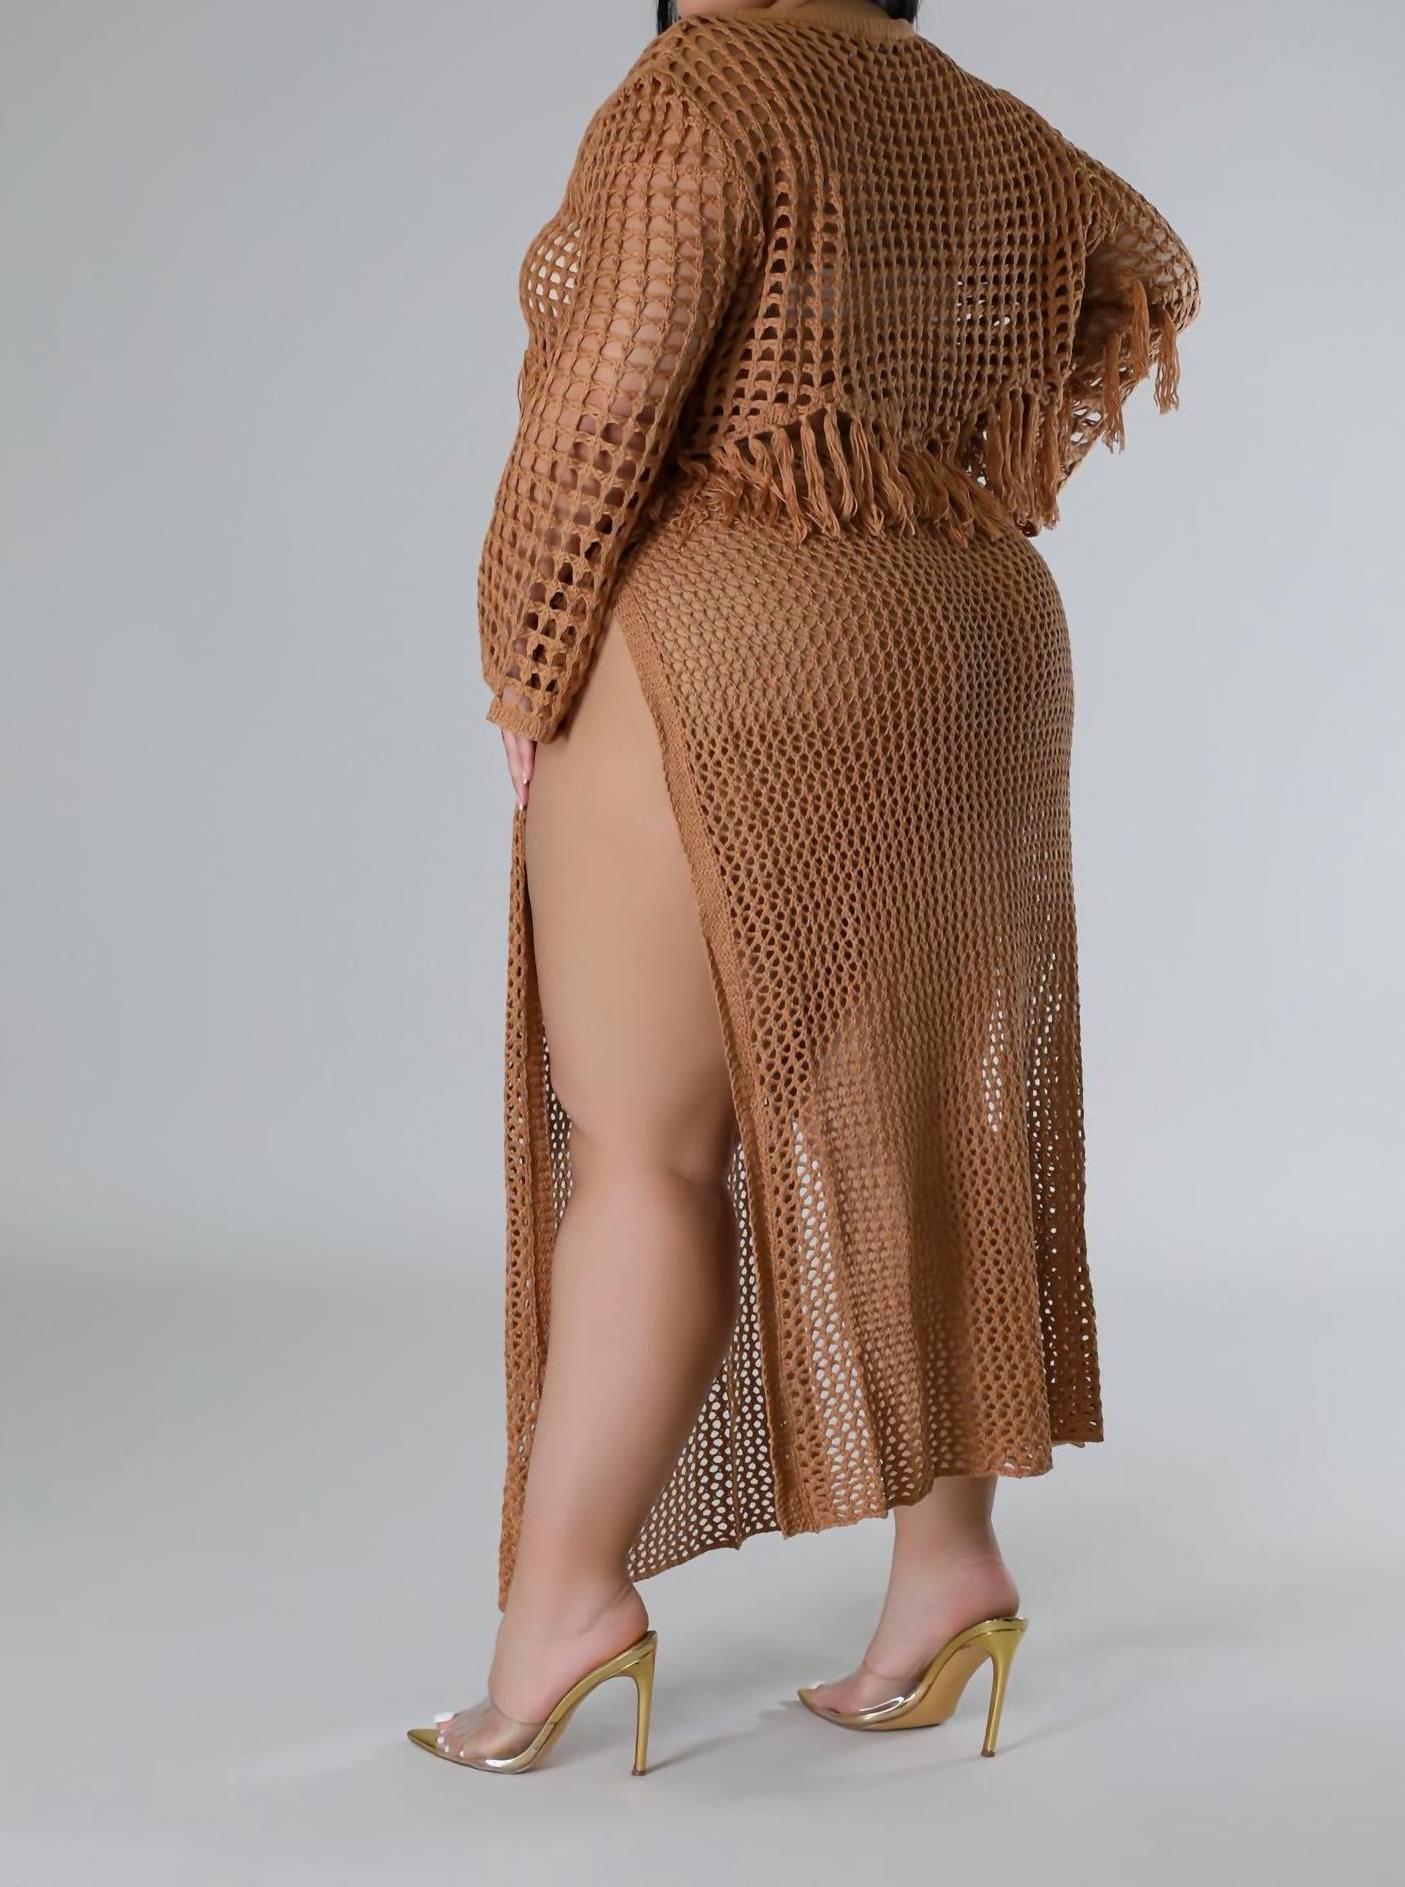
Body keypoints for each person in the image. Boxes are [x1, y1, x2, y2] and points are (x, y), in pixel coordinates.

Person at [410, 0, 1200, 1773]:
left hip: (739, 635)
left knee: (647, 1152)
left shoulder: (708, 85)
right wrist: (933, 433)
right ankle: (949, 1573)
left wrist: (525, 662)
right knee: (937, 1116)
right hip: (975, 633)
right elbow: (1148, 263)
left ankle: (563, 1615)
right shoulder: (984, 122)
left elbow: (600, 413)